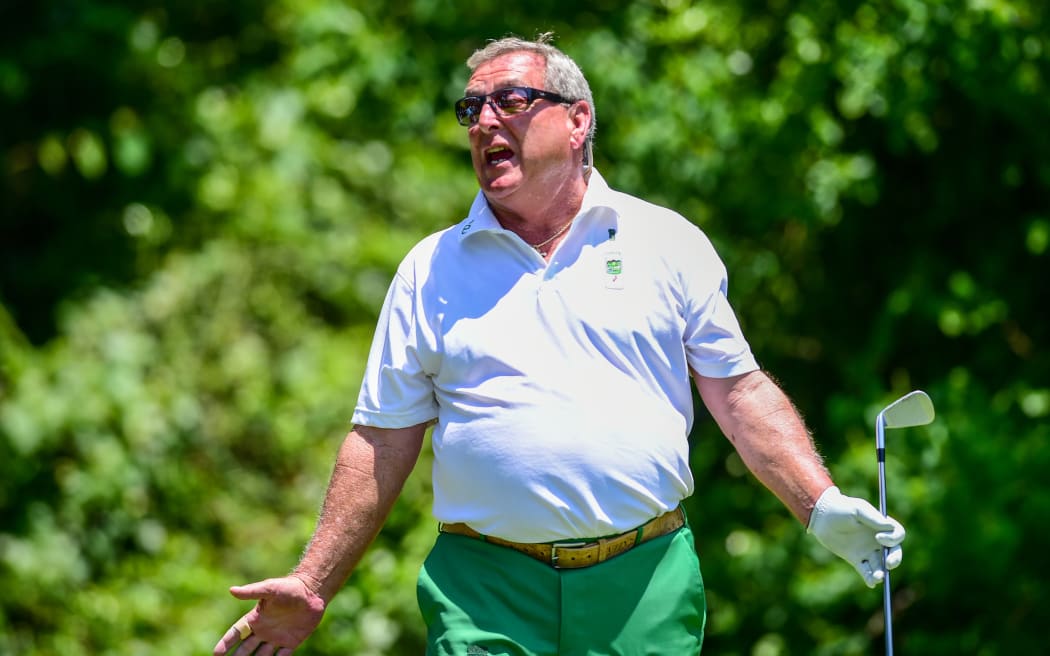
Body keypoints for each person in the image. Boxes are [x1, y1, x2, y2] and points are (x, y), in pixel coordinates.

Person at [213, 33, 906, 656]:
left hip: (643, 580)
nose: (485, 122)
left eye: (510, 101)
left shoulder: (664, 241)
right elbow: (381, 441)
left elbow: (739, 392)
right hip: (485, 589)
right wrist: (313, 582)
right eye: (471, 109)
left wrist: (818, 504)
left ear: (578, 121)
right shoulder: (430, 269)